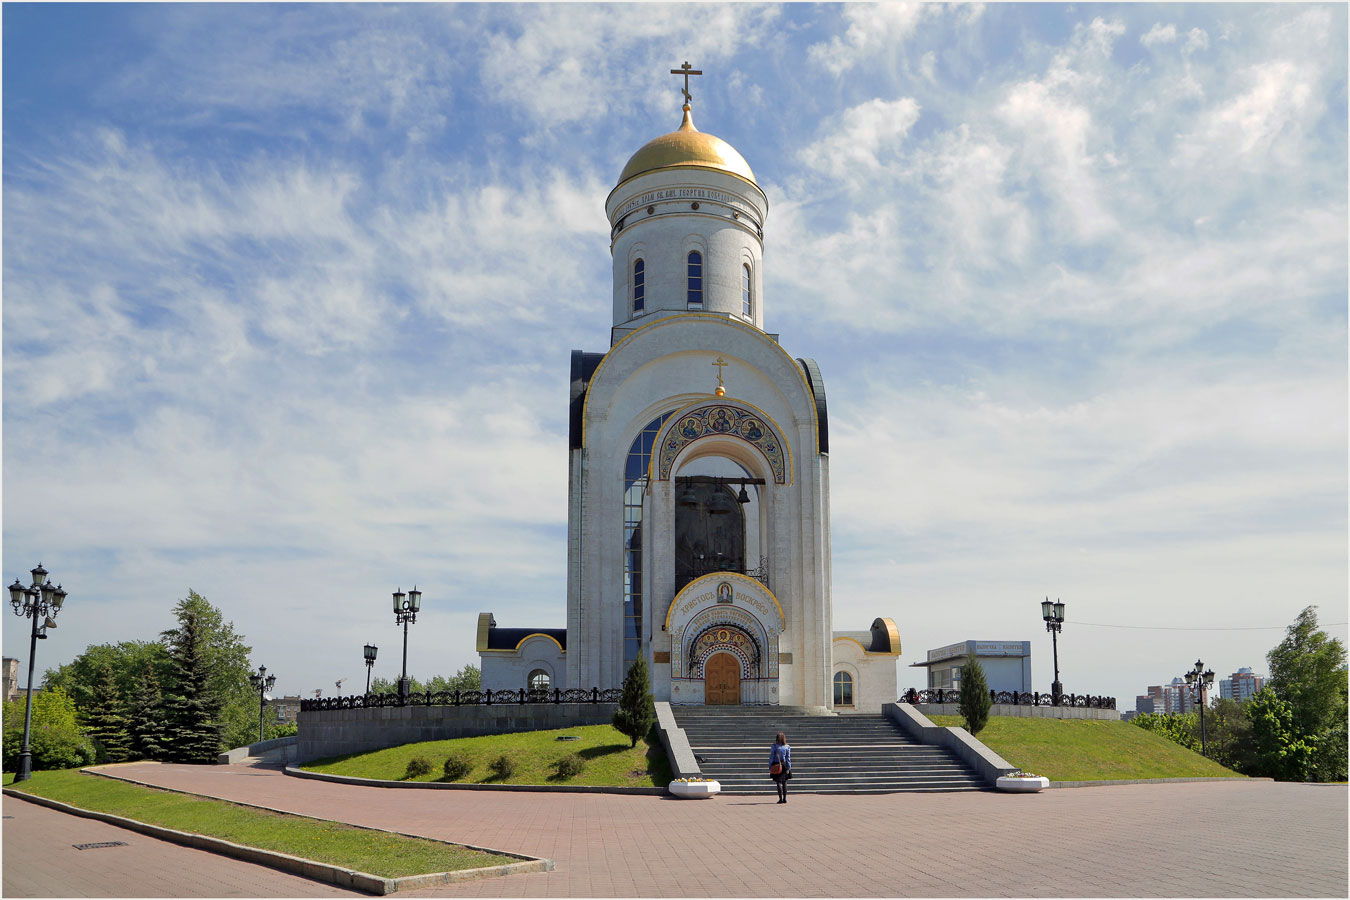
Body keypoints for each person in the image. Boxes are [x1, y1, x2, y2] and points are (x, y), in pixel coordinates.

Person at [769, 731, 792, 803]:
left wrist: (770, 766)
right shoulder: (787, 746)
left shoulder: (774, 746)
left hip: (776, 764)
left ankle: (780, 799)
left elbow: (771, 756)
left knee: (778, 782)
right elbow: (788, 758)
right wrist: (789, 767)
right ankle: (785, 798)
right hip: (784, 764)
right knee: (785, 782)